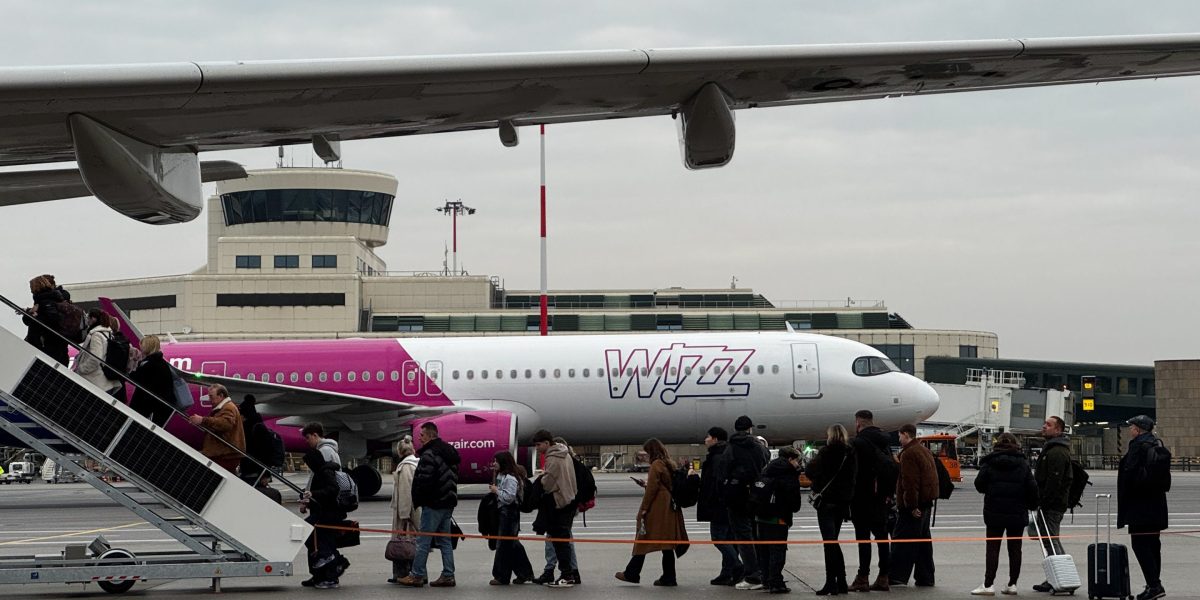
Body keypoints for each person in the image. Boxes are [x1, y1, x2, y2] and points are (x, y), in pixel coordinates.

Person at [972, 432, 1038, 596]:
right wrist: (1031, 505)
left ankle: (988, 584)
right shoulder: (1023, 463)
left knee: (992, 548)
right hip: (1017, 512)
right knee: (1015, 549)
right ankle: (1012, 584)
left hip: (994, 511)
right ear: (1016, 444)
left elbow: (979, 484)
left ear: (997, 444)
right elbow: (1032, 488)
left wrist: (990, 490)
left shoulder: (990, 462)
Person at [615, 438, 688, 587]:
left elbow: (652, 490)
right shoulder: (668, 463)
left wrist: (644, 509)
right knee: (666, 543)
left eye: (647, 452)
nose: (645, 455)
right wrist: (647, 485)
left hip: (658, 507)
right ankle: (668, 576)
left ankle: (632, 573)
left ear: (651, 451)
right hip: (668, 506)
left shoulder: (656, 465)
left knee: (644, 537)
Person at [398, 421, 461, 588]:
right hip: (448, 501)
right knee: (445, 540)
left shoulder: (429, 454)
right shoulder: (449, 452)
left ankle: (416, 575)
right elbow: (453, 476)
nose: (419, 438)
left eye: (422, 435)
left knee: (423, 540)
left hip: (433, 503)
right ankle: (448, 574)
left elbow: (424, 480)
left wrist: (419, 499)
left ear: (430, 435)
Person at [1118, 415, 1170, 600]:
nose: (1130, 430)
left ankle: (1154, 585)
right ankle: (1154, 583)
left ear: (1138, 429)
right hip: (1156, 506)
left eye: (1131, 427)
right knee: (1153, 545)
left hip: (1140, 506)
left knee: (1140, 545)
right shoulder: (1156, 443)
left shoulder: (1138, 446)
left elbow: (1130, 473)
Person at [807, 424, 858, 595]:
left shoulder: (826, 452)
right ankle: (841, 581)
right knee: (833, 540)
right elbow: (853, 478)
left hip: (826, 502)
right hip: (842, 502)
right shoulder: (850, 453)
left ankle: (831, 582)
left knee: (829, 543)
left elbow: (810, 470)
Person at [848, 409, 896, 592]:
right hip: (882, 498)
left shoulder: (858, 442)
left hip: (862, 497)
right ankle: (884, 576)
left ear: (858, 423)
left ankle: (863, 577)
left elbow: (853, 471)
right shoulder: (884, 441)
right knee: (882, 538)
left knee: (863, 539)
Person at [721, 415, 770, 590]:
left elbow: (723, 469)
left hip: (737, 494)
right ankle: (763, 571)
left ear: (735, 429)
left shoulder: (731, 447)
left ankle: (752, 575)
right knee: (757, 534)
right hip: (757, 493)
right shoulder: (758, 446)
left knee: (742, 535)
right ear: (750, 428)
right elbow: (766, 460)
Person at [889, 423, 938, 588]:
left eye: (899, 435)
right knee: (924, 543)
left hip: (914, 506)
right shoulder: (924, 450)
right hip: (927, 503)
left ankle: (897, 576)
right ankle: (926, 577)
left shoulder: (909, 453)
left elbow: (910, 482)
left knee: (902, 541)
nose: (899, 439)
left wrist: (911, 505)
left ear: (905, 434)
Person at [1031, 415, 1073, 593]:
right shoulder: (1052, 448)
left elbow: (1054, 481)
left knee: (1051, 540)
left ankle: (1062, 577)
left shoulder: (1056, 452)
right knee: (1050, 540)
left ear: (1058, 430)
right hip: (1051, 503)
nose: (1044, 426)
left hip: (1052, 505)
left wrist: (1043, 502)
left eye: (1048, 425)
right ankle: (1057, 576)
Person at [532, 429, 579, 588]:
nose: (537, 448)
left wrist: (540, 481)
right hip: (570, 499)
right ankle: (569, 573)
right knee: (563, 540)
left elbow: (549, 483)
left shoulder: (553, 458)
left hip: (559, 502)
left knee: (560, 542)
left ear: (547, 443)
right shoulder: (565, 454)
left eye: (538, 445)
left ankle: (566, 575)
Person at [754, 445, 804, 594]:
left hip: (761, 517)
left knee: (764, 551)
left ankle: (766, 580)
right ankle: (776, 582)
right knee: (778, 551)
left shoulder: (766, 470)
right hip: (778, 519)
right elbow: (795, 504)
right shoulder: (789, 474)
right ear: (790, 459)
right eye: (797, 461)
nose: (798, 464)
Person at [698, 426, 742, 585]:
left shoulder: (717, 457)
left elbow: (716, 483)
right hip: (728, 504)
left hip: (718, 504)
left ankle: (738, 567)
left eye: (708, 437)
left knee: (718, 538)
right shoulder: (727, 453)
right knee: (729, 538)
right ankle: (727, 572)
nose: (705, 440)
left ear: (715, 439)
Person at [298, 448, 348, 589]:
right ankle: (319, 575)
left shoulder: (326, 472)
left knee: (317, 539)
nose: (308, 466)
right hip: (322, 512)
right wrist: (308, 502)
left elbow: (332, 490)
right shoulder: (320, 472)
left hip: (329, 513)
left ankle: (331, 566)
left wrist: (313, 494)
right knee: (316, 542)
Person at [490, 450, 535, 585]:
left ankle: (502, 576)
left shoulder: (510, 478)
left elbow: (509, 498)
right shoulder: (501, 475)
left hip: (509, 513)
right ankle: (524, 573)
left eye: (496, 461)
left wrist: (496, 491)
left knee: (504, 545)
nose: (494, 464)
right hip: (504, 512)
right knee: (512, 544)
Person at [186, 383, 245, 473]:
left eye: (211, 396)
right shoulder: (226, 407)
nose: (209, 399)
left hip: (225, 454)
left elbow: (225, 424)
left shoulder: (228, 407)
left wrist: (203, 420)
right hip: (225, 453)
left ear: (221, 395)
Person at [389, 436, 420, 584]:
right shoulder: (416, 464)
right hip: (414, 509)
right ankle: (414, 572)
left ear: (399, 452)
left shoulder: (405, 467)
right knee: (412, 543)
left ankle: (405, 573)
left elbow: (406, 492)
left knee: (403, 543)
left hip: (406, 512)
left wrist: (404, 514)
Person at [74, 309, 122, 399]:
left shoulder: (96, 335)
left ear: (93, 319)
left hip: (95, 381)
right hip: (105, 381)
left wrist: (81, 369)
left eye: (88, 317)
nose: (87, 320)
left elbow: (95, 358)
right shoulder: (108, 333)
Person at [128, 335, 174, 426]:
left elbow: (137, 378)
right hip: (160, 407)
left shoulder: (149, 364)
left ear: (147, 347)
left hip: (150, 407)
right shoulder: (161, 362)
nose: (140, 349)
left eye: (142, 346)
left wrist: (130, 367)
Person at [22, 275, 68, 365]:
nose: (31, 290)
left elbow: (53, 320)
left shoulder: (45, 301)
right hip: (54, 346)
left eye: (31, 287)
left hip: (47, 346)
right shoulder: (51, 299)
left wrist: (36, 317)